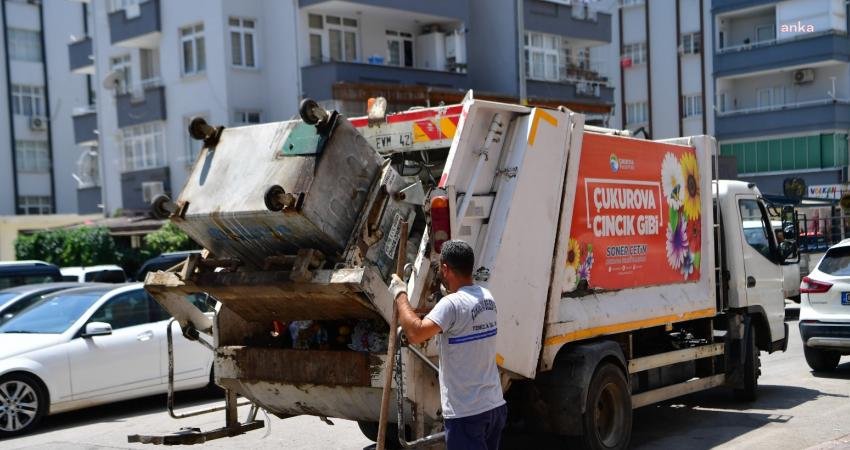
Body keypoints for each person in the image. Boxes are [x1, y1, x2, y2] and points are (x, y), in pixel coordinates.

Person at [388, 240, 506, 450]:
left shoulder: (451, 305)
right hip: (494, 406)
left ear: (445, 268)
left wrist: (400, 294)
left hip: (467, 413)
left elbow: (415, 333)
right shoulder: (487, 297)